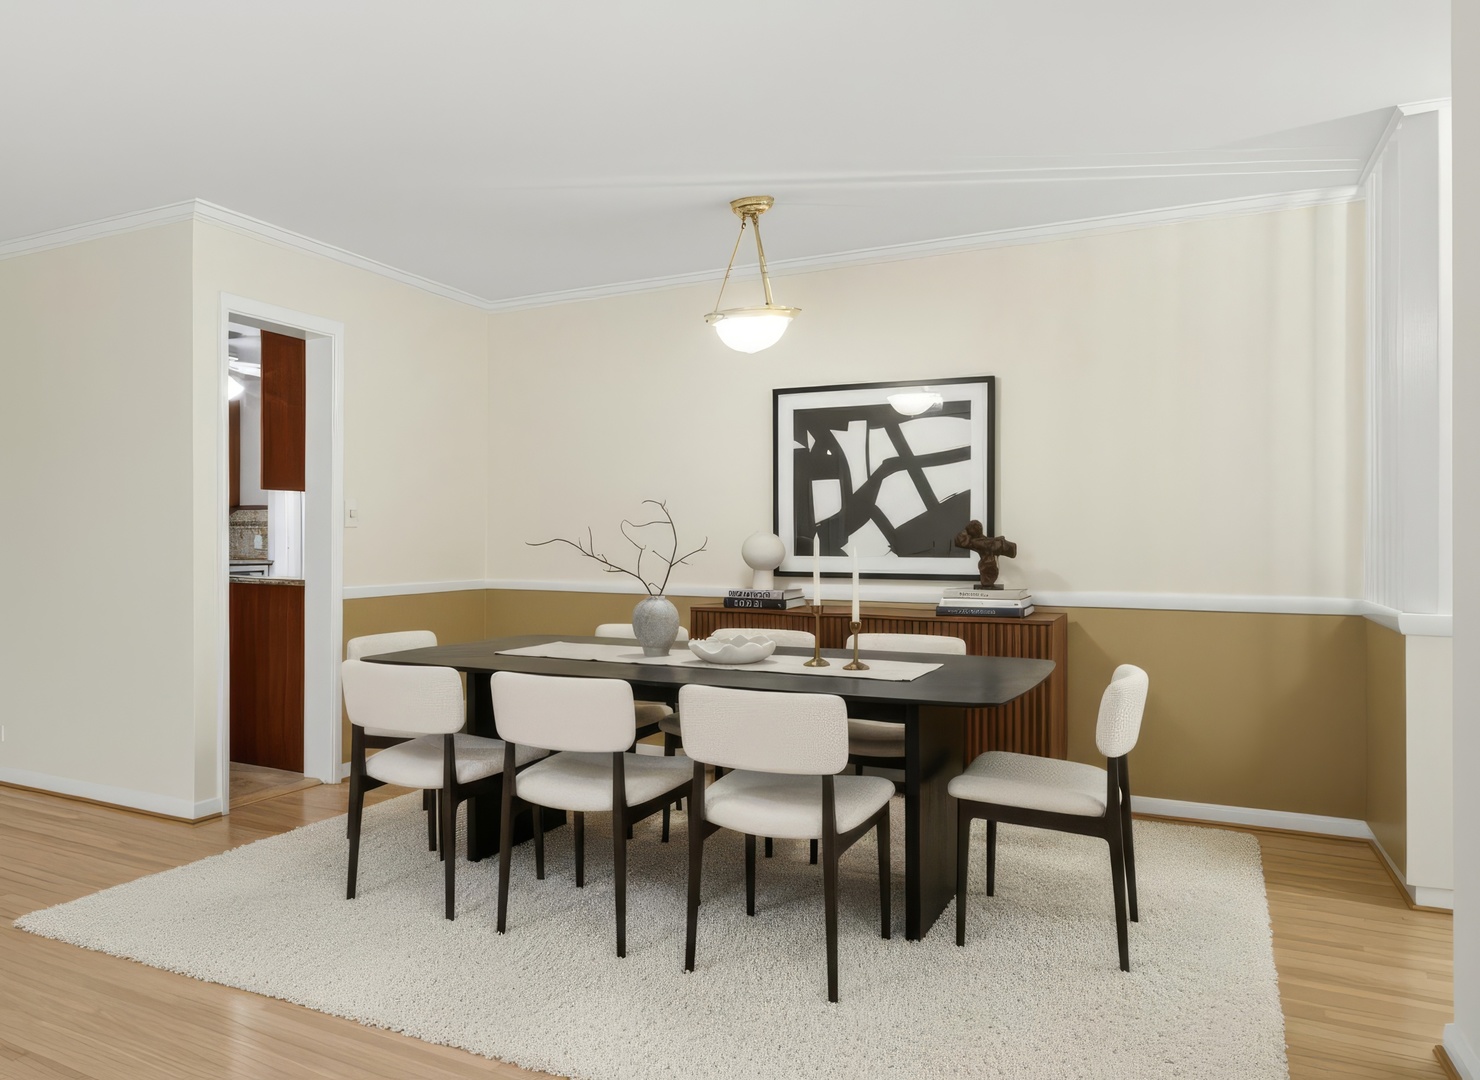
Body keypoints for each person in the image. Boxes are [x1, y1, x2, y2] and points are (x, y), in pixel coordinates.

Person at [953, 520, 1017, 589]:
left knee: (988, 573)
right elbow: (959, 541)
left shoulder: (978, 542)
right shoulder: (977, 542)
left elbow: (960, 541)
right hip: (988, 566)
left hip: (989, 566)